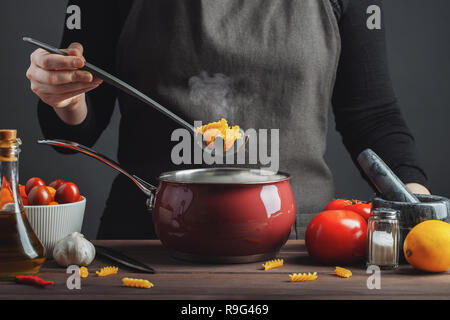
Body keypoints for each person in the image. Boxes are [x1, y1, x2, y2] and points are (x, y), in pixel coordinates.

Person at [26, 0, 430, 240]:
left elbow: (371, 118)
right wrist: (66, 96)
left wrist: (416, 205)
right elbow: (68, 131)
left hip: (301, 244)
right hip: (148, 236)